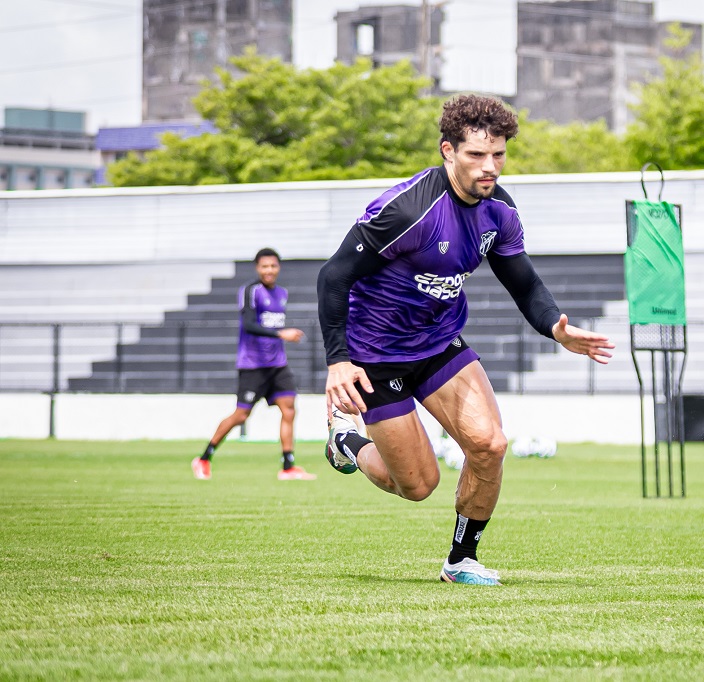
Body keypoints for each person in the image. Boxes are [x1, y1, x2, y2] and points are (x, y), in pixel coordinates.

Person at [316, 94, 614, 586]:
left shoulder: (499, 208)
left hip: (438, 343)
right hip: (376, 356)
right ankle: (346, 441)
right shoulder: (406, 209)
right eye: (476, 155)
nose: (489, 166)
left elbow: (524, 282)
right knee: (415, 485)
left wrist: (555, 325)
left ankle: (461, 561)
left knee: (490, 444)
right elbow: (333, 276)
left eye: (498, 154)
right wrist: (338, 361)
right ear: (447, 151)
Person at [192, 248, 315, 481]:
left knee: (289, 408)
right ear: (258, 268)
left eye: (273, 266)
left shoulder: (282, 293)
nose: (269, 270)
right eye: (264, 266)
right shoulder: (251, 291)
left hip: (277, 364)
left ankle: (288, 466)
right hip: (253, 365)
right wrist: (282, 334)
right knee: (240, 416)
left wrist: (281, 336)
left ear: (278, 268)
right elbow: (249, 324)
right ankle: (204, 458)